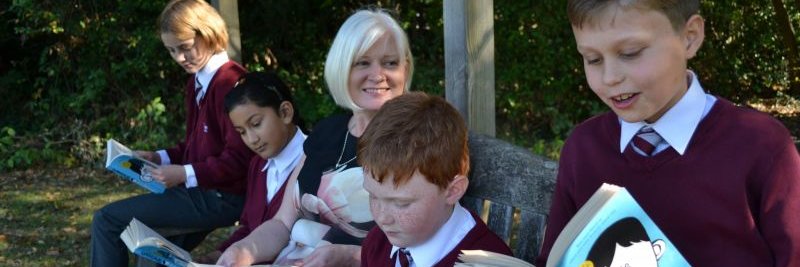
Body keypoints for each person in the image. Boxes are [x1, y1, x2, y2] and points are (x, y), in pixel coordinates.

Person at [537, 0, 800, 266]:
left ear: (690, 38)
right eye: (592, 59)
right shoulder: (584, 149)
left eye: (630, 53)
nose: (609, 77)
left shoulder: (760, 146)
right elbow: (556, 258)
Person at [216, 8, 413, 267]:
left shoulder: (417, 141)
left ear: (405, 69)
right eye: (363, 63)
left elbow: (420, 249)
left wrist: (350, 257)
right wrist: (243, 249)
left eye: (390, 63)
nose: (377, 74)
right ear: (342, 68)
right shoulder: (327, 131)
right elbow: (283, 223)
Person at [90, 0, 253, 266]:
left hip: (223, 196)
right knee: (150, 251)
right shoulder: (197, 82)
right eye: (171, 50)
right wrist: (159, 157)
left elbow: (240, 159)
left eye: (185, 48)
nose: (179, 58)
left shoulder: (230, 82)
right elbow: (194, 146)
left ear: (208, 34)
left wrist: (184, 173)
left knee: (107, 220)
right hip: (202, 191)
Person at [358, 92, 513, 267]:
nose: (382, 218)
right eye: (373, 196)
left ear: (453, 190)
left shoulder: (488, 263)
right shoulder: (377, 244)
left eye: (401, 203)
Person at [193, 72, 308, 263]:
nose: (252, 140)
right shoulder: (257, 164)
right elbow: (248, 228)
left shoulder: (319, 162)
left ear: (285, 112)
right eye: (242, 132)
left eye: (256, 124)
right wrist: (217, 256)